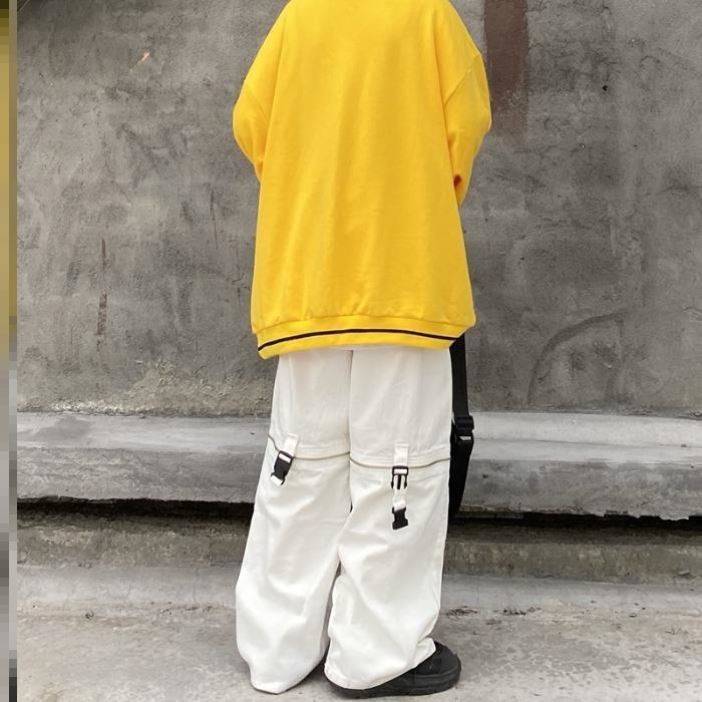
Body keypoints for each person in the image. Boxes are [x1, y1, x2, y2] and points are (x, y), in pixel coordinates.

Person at [231, 0, 491, 696]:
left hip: (306, 283)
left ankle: (278, 649)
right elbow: (466, 123)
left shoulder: (300, 17)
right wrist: (422, 197)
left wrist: (309, 199)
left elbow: (251, 123)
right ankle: (375, 655)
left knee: (300, 464)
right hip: (405, 282)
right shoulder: (428, 16)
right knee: (398, 469)